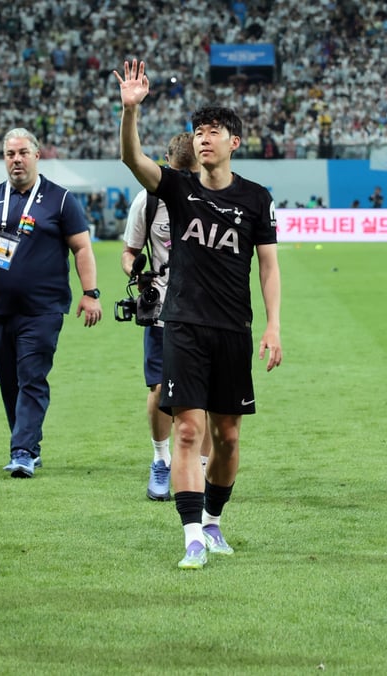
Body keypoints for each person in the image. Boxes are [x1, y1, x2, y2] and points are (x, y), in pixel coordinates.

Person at [115, 60, 282, 569]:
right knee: (188, 431)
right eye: (199, 132)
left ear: (235, 142)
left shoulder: (255, 199)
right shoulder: (176, 188)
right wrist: (131, 112)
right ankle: (191, 535)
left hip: (233, 329)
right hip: (181, 324)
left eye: (214, 133)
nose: (204, 139)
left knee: (228, 437)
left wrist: (274, 325)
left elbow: (269, 267)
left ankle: (213, 521)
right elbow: (133, 160)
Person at [0, 128, 102, 477]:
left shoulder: (60, 199)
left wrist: (90, 293)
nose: (16, 159)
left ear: (37, 155)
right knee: (9, 381)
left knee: (31, 377)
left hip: (42, 311)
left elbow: (82, 248)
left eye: (23, 153)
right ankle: (27, 441)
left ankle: (23, 451)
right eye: (10, 154)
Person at [121, 131, 210, 501]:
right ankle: (161, 459)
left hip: (207, 310)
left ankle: (200, 470)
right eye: (178, 170)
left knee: (206, 394)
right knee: (159, 388)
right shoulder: (148, 200)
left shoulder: (213, 197)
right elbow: (128, 251)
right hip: (161, 309)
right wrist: (134, 272)